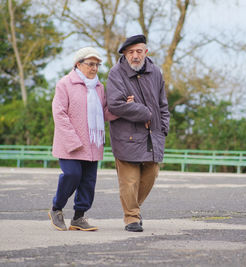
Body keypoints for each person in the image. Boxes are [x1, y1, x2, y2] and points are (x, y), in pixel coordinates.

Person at [49, 47, 128, 231]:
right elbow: (59, 114)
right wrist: (73, 140)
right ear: (78, 64)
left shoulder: (99, 87)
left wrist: (124, 107)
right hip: (71, 144)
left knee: (88, 181)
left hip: (93, 144)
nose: (94, 68)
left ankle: (78, 217)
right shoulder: (65, 84)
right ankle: (56, 208)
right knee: (72, 175)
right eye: (90, 64)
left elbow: (105, 113)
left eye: (97, 65)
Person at [106, 34, 170, 232]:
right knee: (129, 180)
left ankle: (133, 207)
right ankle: (131, 217)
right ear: (125, 54)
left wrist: (164, 127)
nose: (135, 56)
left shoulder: (156, 72)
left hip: (153, 135)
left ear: (146, 52)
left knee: (151, 175)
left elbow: (163, 105)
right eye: (131, 52)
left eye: (139, 51)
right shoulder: (116, 73)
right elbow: (115, 104)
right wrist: (144, 111)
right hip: (126, 136)